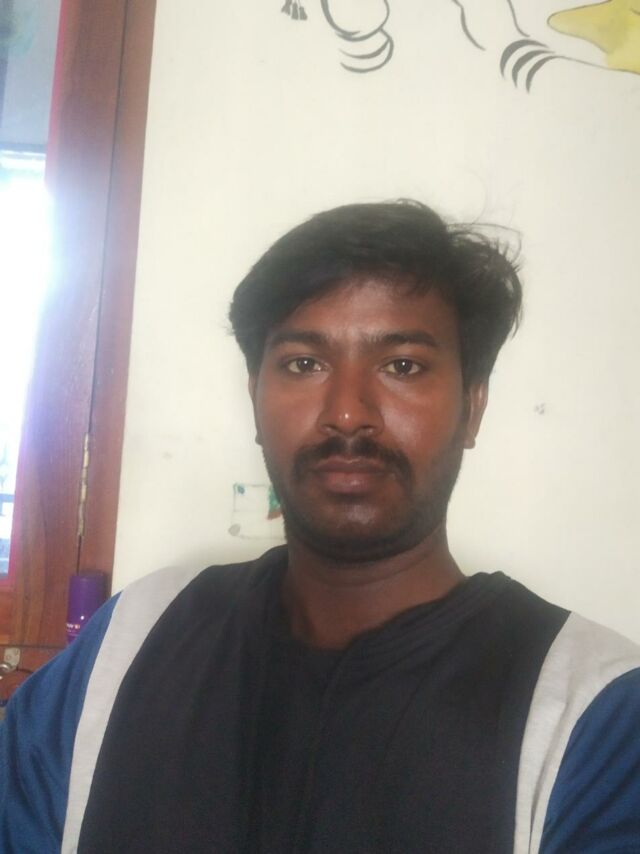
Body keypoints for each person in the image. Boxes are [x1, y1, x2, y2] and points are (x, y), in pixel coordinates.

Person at [1, 201, 639, 854]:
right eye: (305, 363)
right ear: (255, 397)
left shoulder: (594, 711)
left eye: (403, 365)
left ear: (472, 407)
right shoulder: (128, 641)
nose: (348, 413)